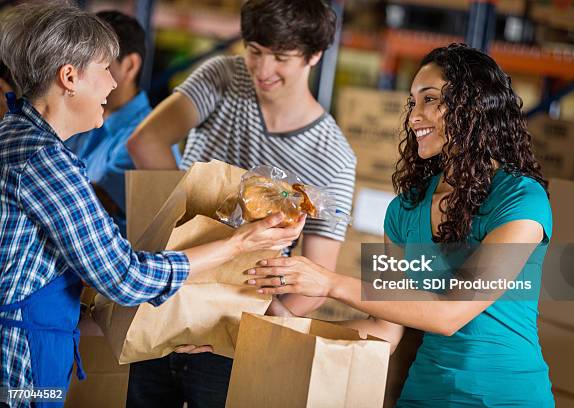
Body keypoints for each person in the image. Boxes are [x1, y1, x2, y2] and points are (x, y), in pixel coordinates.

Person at [0, 3, 303, 408]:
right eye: (104, 69)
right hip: (21, 360)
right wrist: (237, 244)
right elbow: (125, 277)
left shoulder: (13, 135)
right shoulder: (46, 162)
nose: (112, 84)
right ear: (69, 77)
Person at [250, 43, 556, 407]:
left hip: (506, 397)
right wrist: (283, 322)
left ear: (472, 106)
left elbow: (450, 314)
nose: (414, 117)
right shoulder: (405, 210)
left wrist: (330, 283)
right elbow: (383, 329)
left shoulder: (520, 200)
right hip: (424, 396)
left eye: (430, 100)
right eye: (413, 102)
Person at [125, 0, 356, 406]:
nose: (263, 70)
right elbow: (145, 140)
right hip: (164, 294)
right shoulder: (222, 77)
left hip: (232, 334)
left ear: (315, 55)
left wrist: (234, 326)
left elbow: (316, 282)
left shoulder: (332, 155)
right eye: (255, 51)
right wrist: (175, 215)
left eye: (281, 58)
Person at [64, 10, 178, 237]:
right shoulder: (83, 122)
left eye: (95, 65)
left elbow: (97, 204)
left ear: (129, 66)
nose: (79, 76)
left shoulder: (149, 138)